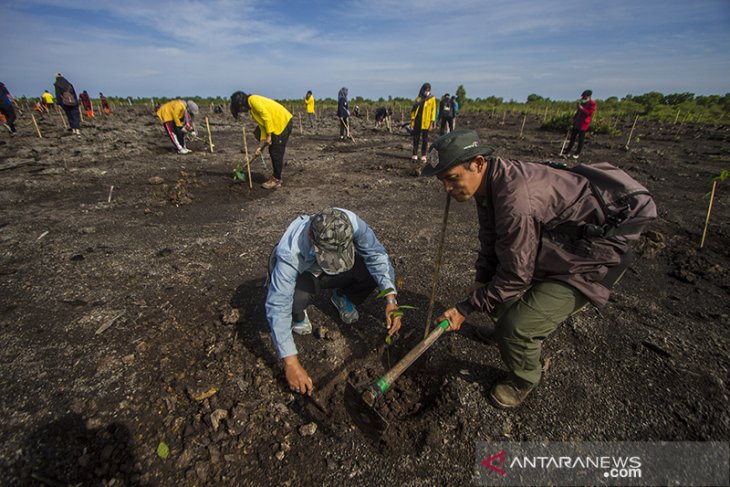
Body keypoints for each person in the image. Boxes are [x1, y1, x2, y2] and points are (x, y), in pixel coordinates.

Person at [421, 130, 656, 409]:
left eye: (452, 178)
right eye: (442, 181)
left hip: (588, 262)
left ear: (479, 163)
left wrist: (465, 308)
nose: (447, 188)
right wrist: (482, 279)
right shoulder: (489, 185)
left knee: (517, 327)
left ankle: (524, 378)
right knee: (493, 293)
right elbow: (491, 239)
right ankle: (504, 334)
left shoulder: (516, 199)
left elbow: (515, 276)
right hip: (557, 246)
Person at [266, 207, 402, 395]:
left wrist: (390, 299)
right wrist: (291, 362)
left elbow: (376, 255)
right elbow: (277, 304)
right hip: (304, 274)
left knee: (370, 272)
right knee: (293, 300)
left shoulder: (351, 223)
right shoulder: (290, 252)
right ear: (312, 240)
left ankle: (342, 297)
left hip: (324, 271)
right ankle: (297, 314)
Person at [230, 91, 293, 189]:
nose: (242, 112)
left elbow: (266, 117)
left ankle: (276, 180)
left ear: (242, 105)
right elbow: (263, 126)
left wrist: (269, 136)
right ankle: (276, 177)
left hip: (282, 122)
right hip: (275, 124)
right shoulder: (252, 108)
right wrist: (261, 147)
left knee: (276, 151)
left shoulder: (254, 100)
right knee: (260, 136)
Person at [562, 89, 597, 159]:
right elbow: (578, 111)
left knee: (581, 139)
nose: (583, 98)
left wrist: (582, 108)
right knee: (572, 137)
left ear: (589, 96)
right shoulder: (582, 102)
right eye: (583, 97)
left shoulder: (592, 103)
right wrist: (574, 118)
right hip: (577, 122)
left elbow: (589, 113)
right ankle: (567, 151)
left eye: (585, 97)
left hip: (584, 123)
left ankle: (577, 153)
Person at [409, 82, 436, 162]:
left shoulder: (432, 99)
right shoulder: (418, 98)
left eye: (428, 90)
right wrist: (412, 120)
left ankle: (423, 155)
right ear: (423, 89)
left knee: (425, 140)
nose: (427, 91)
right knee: (416, 138)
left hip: (426, 122)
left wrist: (432, 122)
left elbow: (433, 111)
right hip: (417, 121)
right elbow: (413, 110)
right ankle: (414, 154)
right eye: (425, 90)